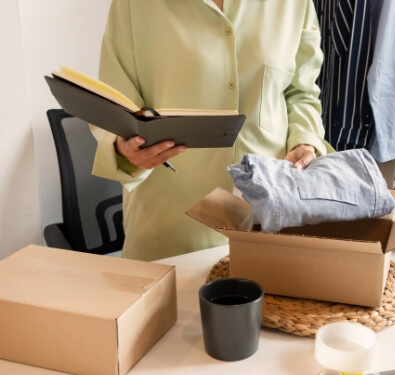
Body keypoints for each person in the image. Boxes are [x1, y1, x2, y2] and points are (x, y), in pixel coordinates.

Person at [91, 0, 334, 261]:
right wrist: (123, 148)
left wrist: (304, 142)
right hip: (169, 228)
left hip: (267, 220)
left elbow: (301, 93)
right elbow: (114, 105)